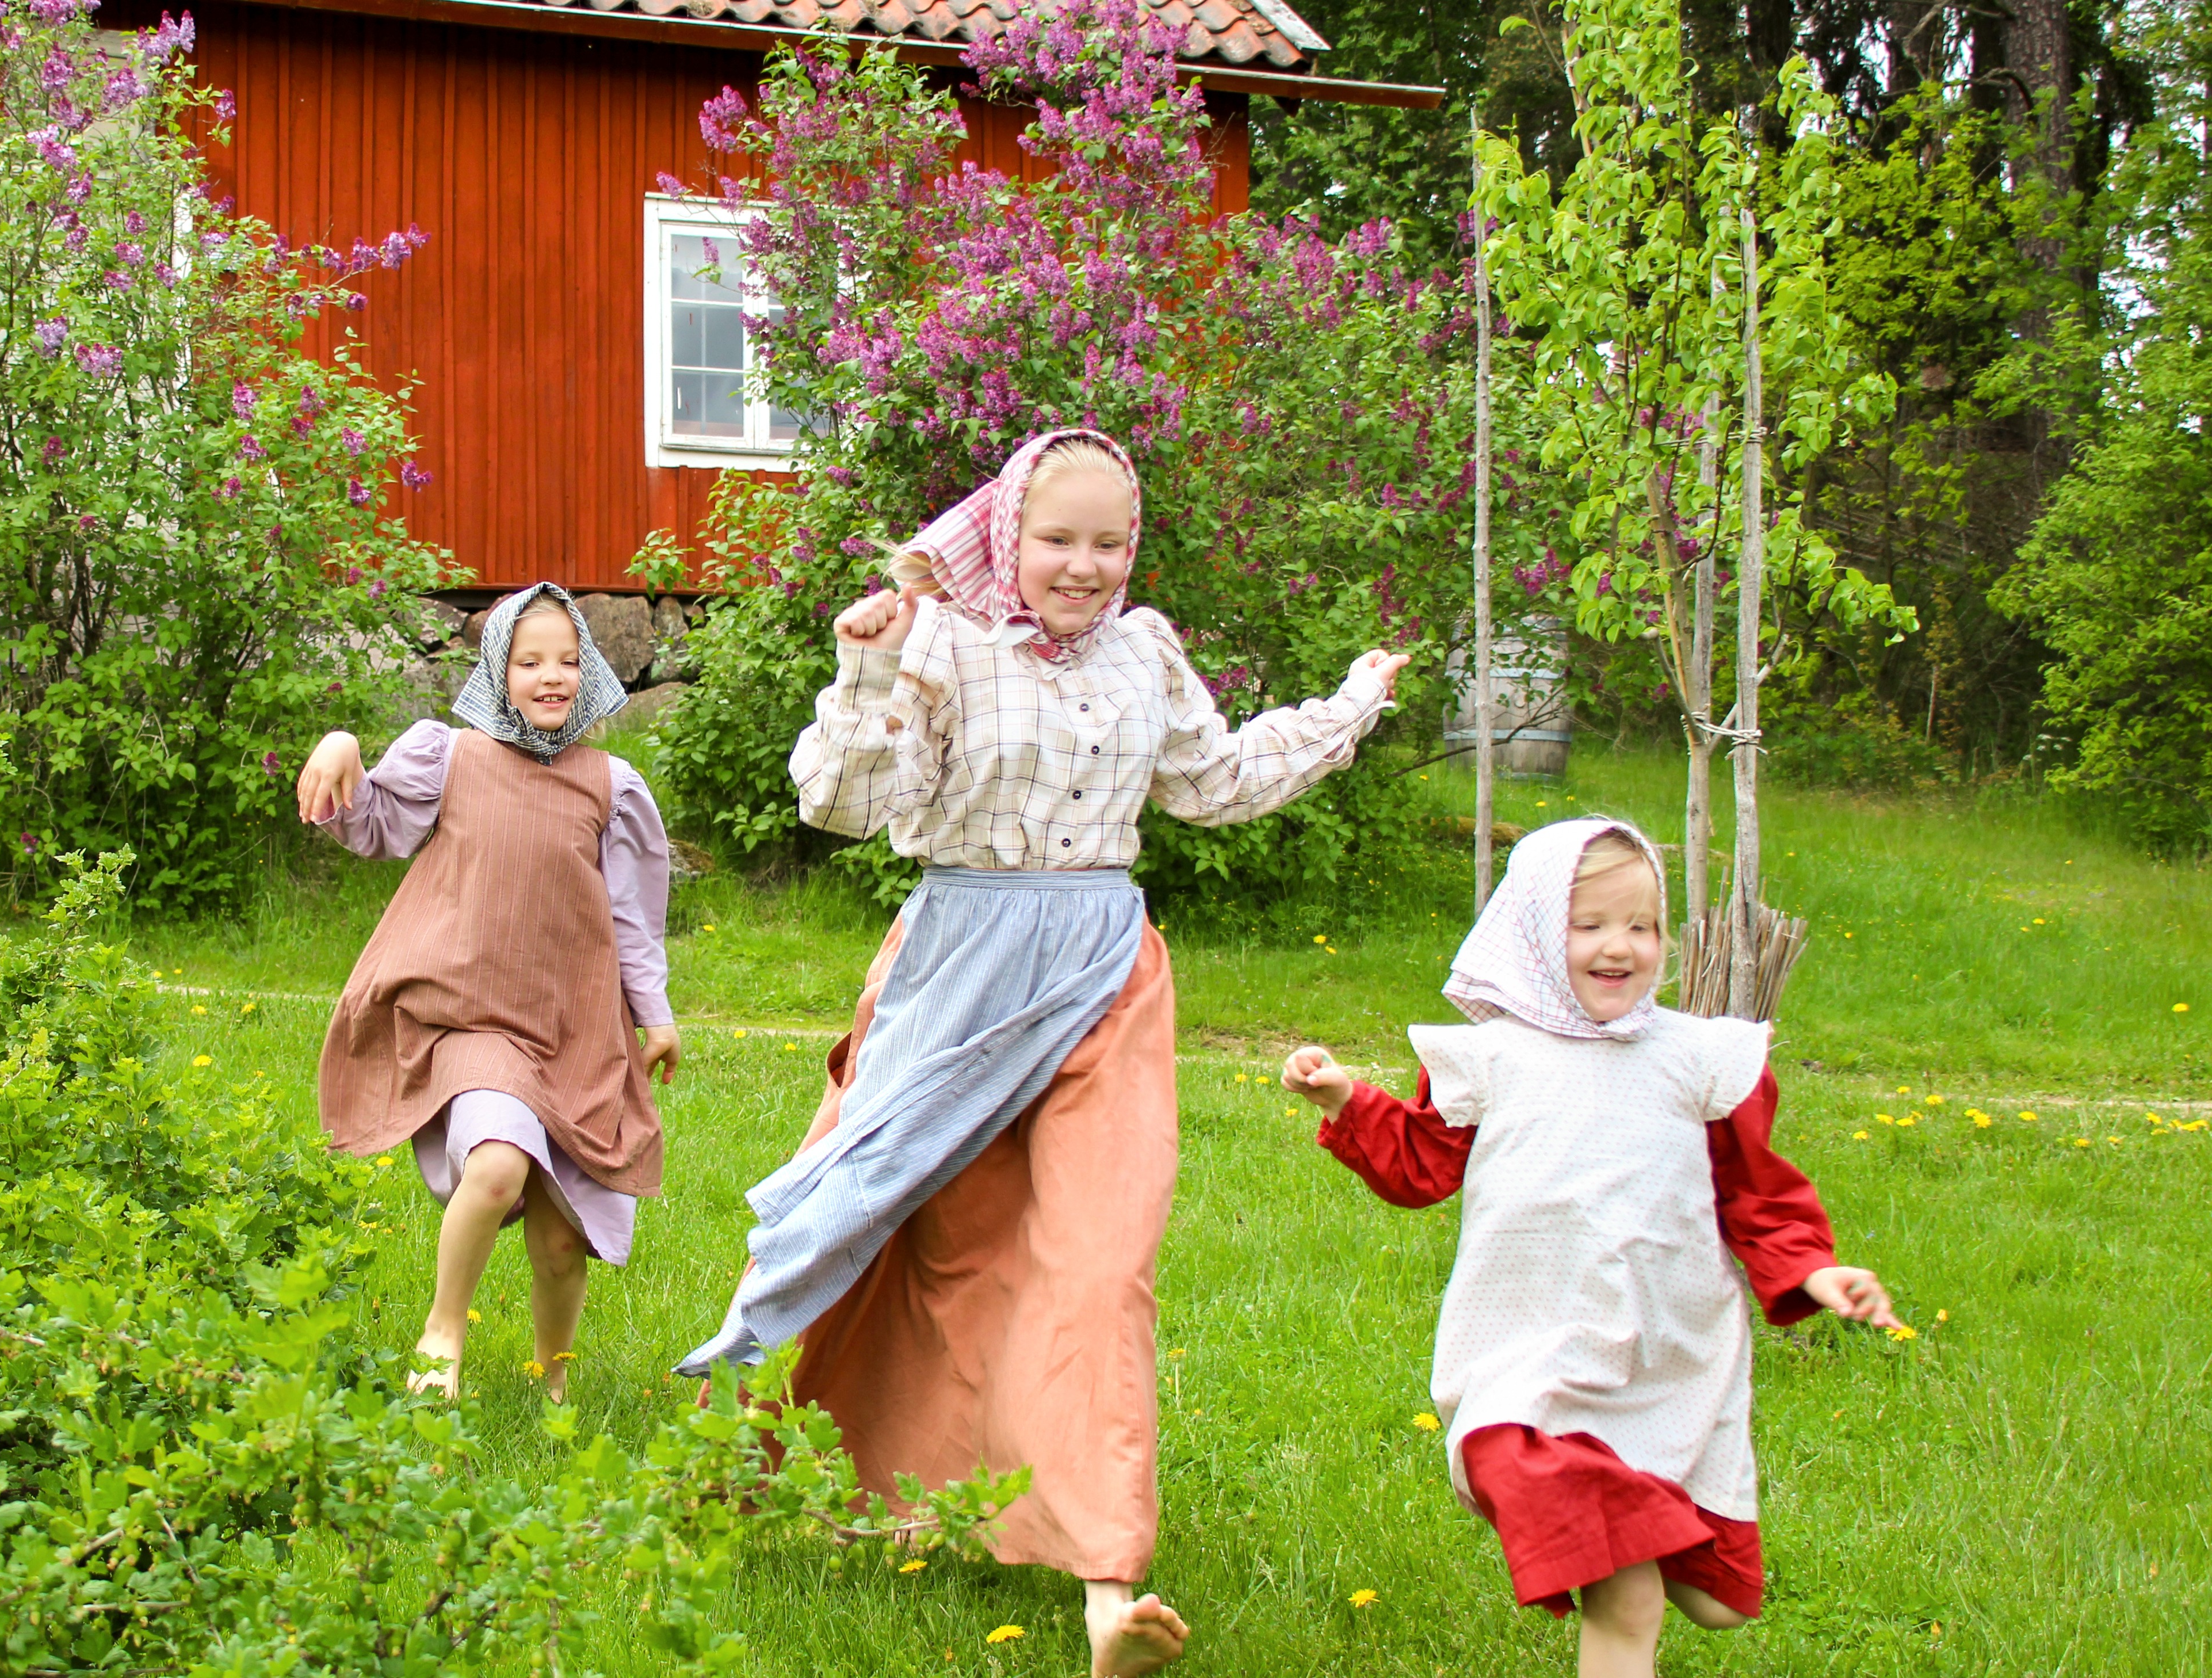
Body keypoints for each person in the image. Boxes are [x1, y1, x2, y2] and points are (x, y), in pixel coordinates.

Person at [677, 429, 1408, 1678]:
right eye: (1058, 539)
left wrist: (1352, 705)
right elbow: (844, 807)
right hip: (960, 969)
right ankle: (730, 1474)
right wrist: (863, 676)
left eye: (1110, 541)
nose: (1085, 567)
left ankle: (1107, 1582)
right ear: (1008, 535)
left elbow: (1214, 780)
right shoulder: (942, 643)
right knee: (891, 1227)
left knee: (1098, 1264)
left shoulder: (1148, 648)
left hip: (1103, 973)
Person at [1281, 818, 1902, 1678]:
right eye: (1591, 926)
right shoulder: (1492, 1057)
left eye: (1642, 926)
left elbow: (1756, 1194)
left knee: (1718, 1603)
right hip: (1530, 1370)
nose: (1621, 948)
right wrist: (1347, 1100)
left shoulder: (1698, 1061)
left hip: (1667, 1367)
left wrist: (1816, 1269)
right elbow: (1422, 1165)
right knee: (1628, 1590)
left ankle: (1659, 1531)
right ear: (1536, 930)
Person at [297, 583, 681, 1404]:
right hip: (471, 1021)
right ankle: (443, 1331)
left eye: (570, 662)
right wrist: (341, 746)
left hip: (575, 1030)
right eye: (530, 661)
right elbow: (371, 826)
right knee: (500, 1165)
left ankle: (554, 1377)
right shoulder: (452, 759)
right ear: (495, 671)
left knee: (559, 1238)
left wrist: (654, 1014)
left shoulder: (611, 787)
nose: (553, 677)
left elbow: (634, 920)